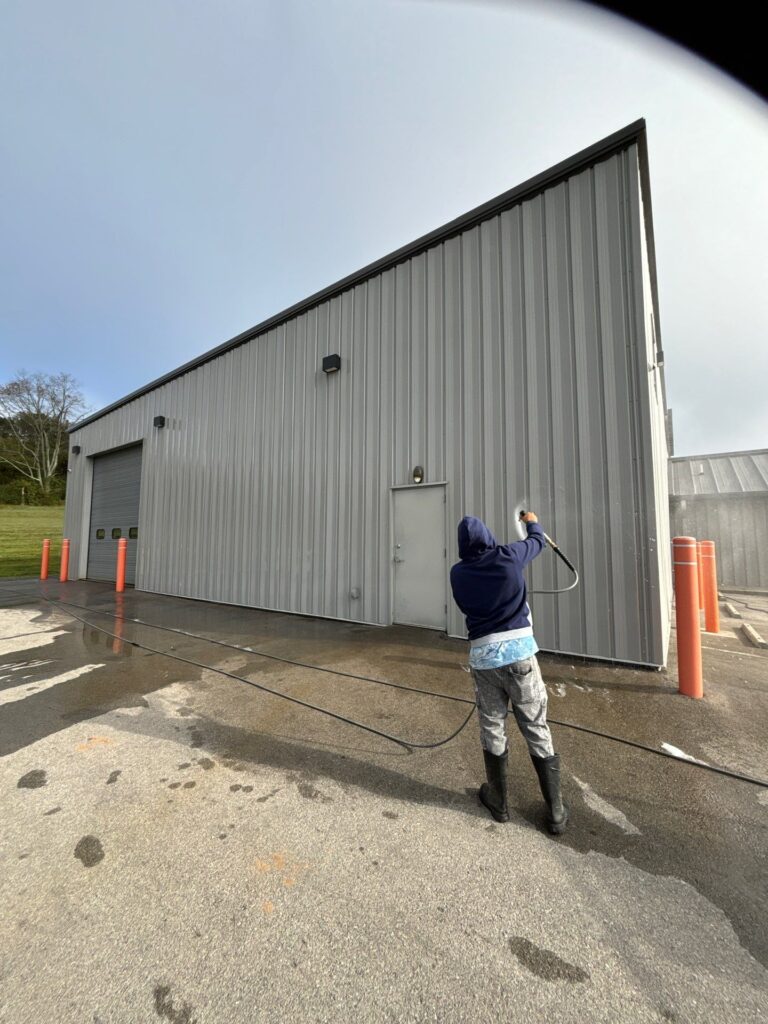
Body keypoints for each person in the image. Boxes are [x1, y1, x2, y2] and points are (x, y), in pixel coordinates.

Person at [449, 512, 568, 834]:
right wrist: (532, 520)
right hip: (519, 657)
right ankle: (556, 810)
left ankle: (498, 801)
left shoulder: (458, 573)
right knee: (534, 723)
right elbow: (537, 541)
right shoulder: (508, 556)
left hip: (484, 658)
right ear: (488, 537)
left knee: (492, 722)